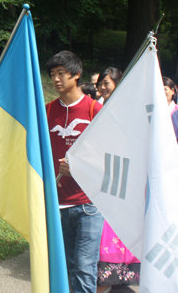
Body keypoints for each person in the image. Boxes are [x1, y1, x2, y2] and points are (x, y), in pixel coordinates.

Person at [45, 51, 104, 293]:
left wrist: (79, 167)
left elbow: (110, 157)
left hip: (90, 203)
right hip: (58, 203)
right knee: (66, 268)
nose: (56, 79)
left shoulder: (95, 110)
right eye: (52, 75)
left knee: (84, 267)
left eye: (61, 73)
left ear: (76, 74)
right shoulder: (46, 111)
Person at [96, 70, 140, 292]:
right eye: (100, 84)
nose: (102, 87)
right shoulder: (97, 108)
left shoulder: (127, 111)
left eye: (106, 83)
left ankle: (114, 274)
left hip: (119, 176)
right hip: (101, 175)